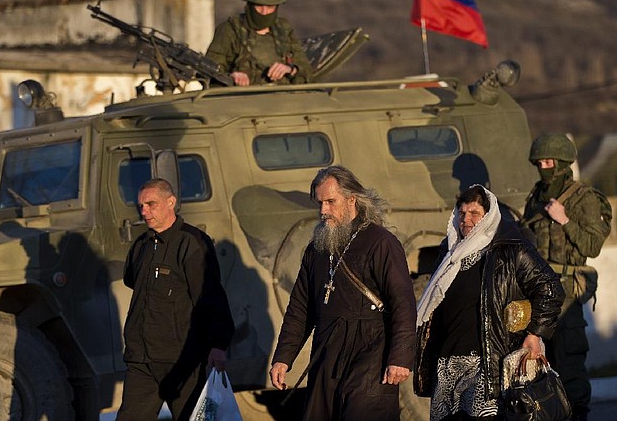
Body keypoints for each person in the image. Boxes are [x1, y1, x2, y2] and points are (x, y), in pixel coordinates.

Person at [269, 165, 417, 420]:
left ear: (352, 199)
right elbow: (300, 308)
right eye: (319, 203)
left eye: (330, 201)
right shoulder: (317, 248)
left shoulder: (381, 242)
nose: (323, 210)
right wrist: (283, 357)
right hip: (327, 350)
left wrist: (400, 357)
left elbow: (402, 301)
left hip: (371, 349)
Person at [414, 184, 564, 420]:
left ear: (489, 215)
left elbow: (551, 289)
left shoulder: (511, 249)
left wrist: (535, 333)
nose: (466, 219)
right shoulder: (448, 254)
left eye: (474, 213)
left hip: (486, 366)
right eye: (462, 213)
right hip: (446, 367)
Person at [116, 178, 235, 421]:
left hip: (183, 360)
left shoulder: (191, 243)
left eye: (151, 204)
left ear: (171, 202)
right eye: (140, 206)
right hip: (142, 361)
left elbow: (210, 297)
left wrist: (218, 344)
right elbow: (133, 281)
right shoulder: (141, 245)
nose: (144, 211)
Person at [522, 133, 611, 421]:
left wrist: (565, 220)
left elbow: (592, 246)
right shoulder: (535, 197)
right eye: (540, 162)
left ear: (562, 164)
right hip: (536, 292)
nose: (544, 168)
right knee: (534, 368)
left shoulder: (583, 198)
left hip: (567, 294)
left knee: (569, 365)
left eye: (549, 162)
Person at [206, 0, 313, 86]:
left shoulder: (283, 30)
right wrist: (230, 76)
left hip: (284, 99)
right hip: (241, 100)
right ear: (249, 4)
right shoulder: (230, 29)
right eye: (259, 6)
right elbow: (209, 69)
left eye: (270, 7)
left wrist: (290, 69)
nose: (264, 12)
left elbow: (307, 71)